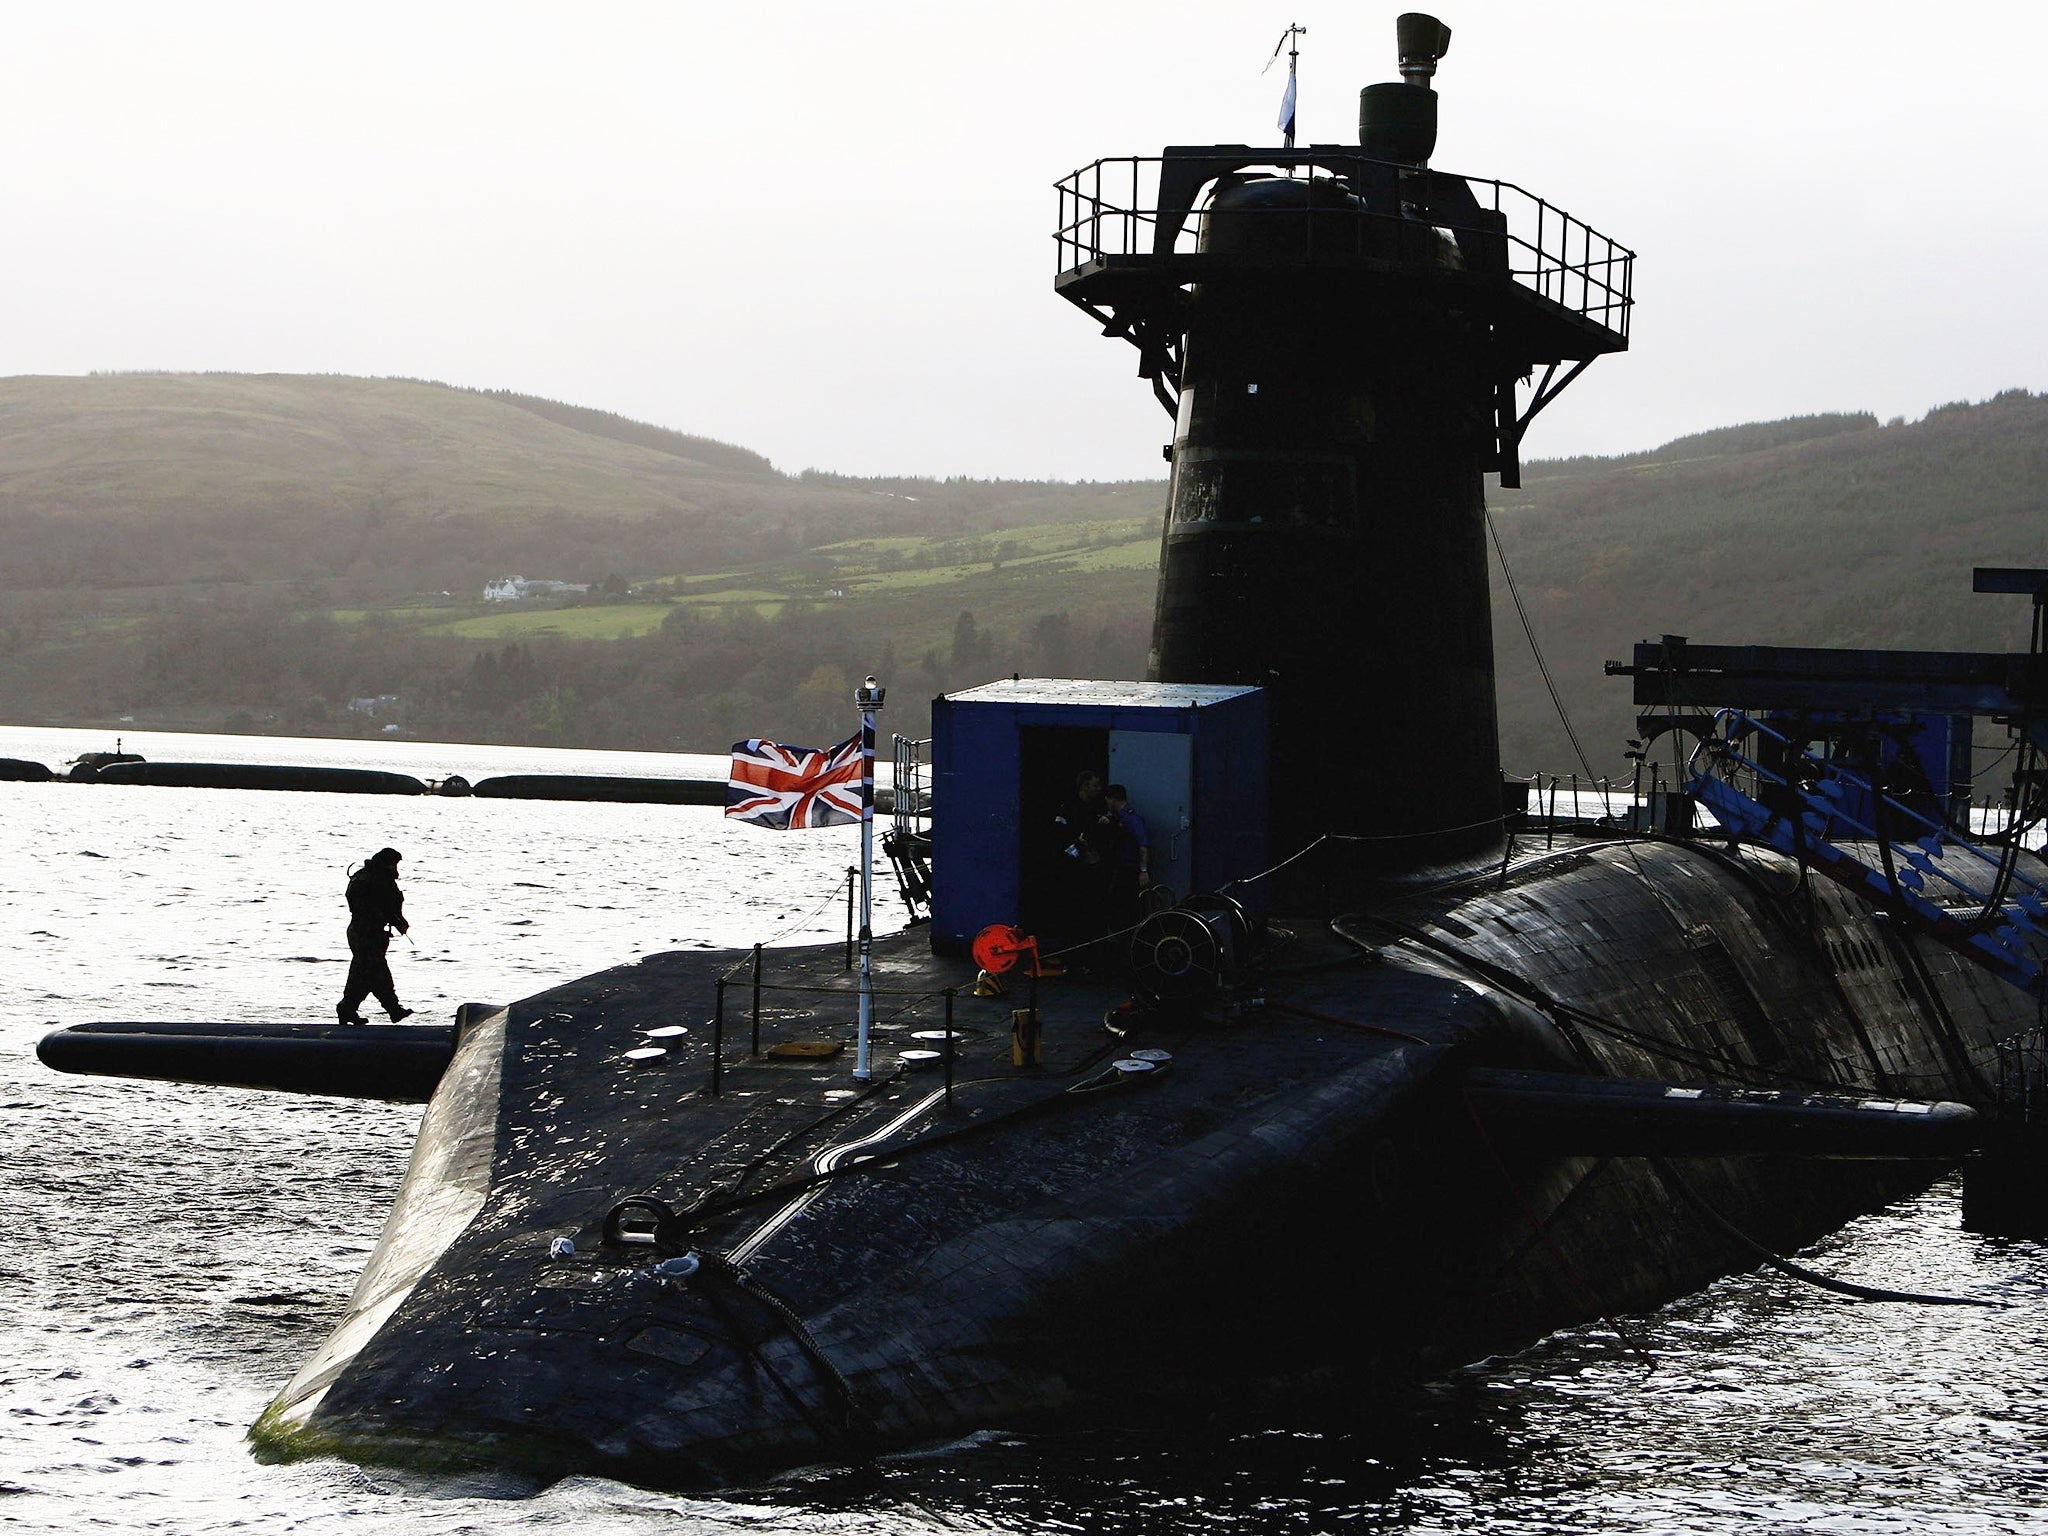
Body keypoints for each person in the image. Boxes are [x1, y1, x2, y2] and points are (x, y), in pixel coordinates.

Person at [337, 846, 414, 1025]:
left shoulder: (366, 877)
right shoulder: (376, 880)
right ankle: (392, 1009)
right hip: (367, 933)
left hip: (364, 931)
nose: (396, 869)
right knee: (376, 971)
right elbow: (382, 907)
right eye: (394, 865)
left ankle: (348, 1007)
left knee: (364, 973)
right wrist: (397, 921)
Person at [1104, 783, 1152, 935]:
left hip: (1129, 868)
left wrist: (1143, 870)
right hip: (1122, 866)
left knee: (1126, 905)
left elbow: (1143, 845)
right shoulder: (1119, 818)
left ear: (1112, 799)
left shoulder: (1131, 818)